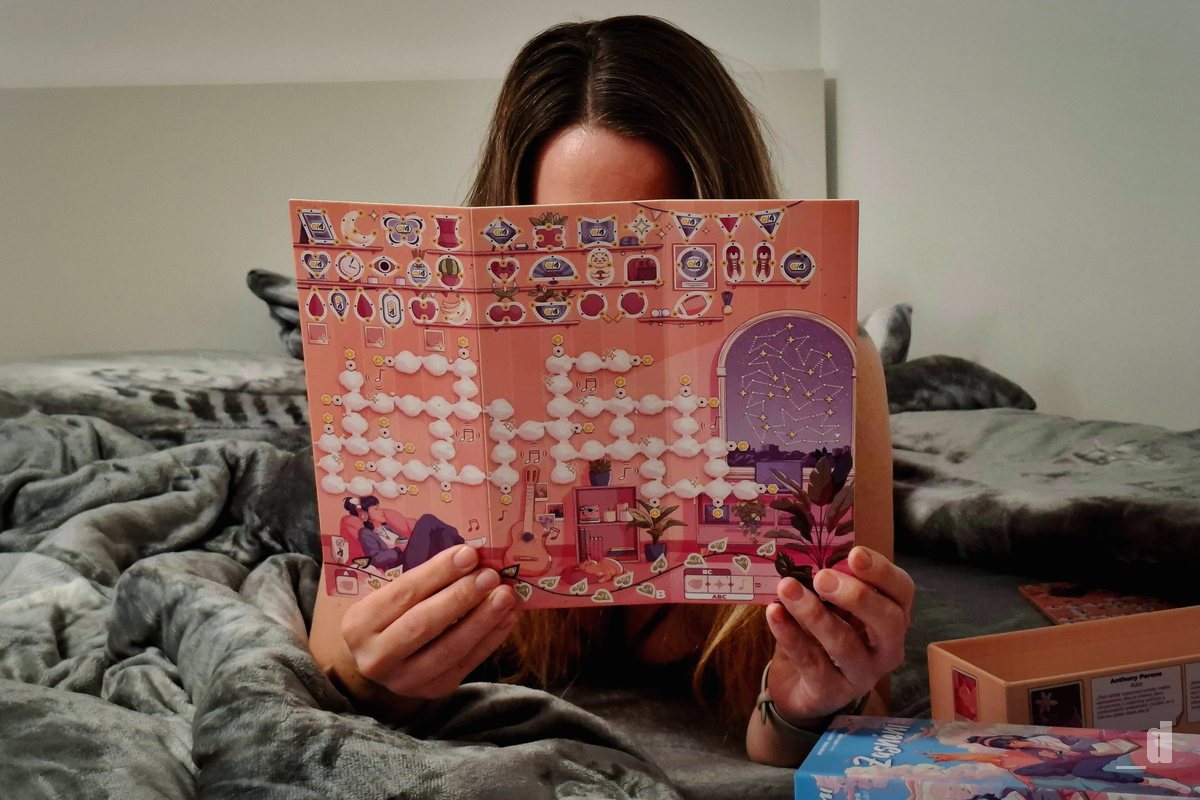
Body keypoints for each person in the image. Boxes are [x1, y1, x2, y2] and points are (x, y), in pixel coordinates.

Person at [308, 14, 914, 767]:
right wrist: (377, 687)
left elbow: (834, 720)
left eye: (653, 246)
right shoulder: (403, 371)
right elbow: (334, 671)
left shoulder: (824, 363)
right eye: (557, 242)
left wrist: (801, 707)